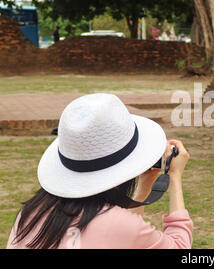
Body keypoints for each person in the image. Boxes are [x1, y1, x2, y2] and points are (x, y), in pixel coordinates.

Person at [6, 93, 193, 249]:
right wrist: (174, 177)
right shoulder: (118, 224)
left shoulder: (30, 214)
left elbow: (125, 237)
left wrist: (145, 183)